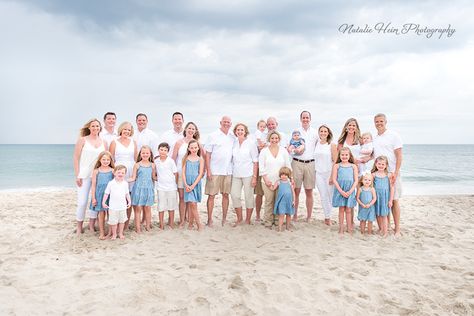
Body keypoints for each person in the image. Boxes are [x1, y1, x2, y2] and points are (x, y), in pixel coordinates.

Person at [73, 118, 107, 236]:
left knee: (95, 201)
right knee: (82, 202)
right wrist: (77, 175)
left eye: (97, 126)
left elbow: (106, 159)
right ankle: (79, 227)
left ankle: (92, 225)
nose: (95, 128)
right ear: (89, 127)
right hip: (83, 175)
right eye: (93, 126)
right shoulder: (82, 140)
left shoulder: (104, 142)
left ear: (100, 128)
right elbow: (76, 158)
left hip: (98, 176)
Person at [372, 113, 403, 237]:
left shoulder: (394, 136)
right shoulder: (374, 138)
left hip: (391, 173)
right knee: (384, 201)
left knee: (394, 200)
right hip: (379, 173)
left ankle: (397, 229)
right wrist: (361, 160)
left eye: (381, 121)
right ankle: (386, 227)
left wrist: (395, 172)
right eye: (377, 121)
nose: (379, 123)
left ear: (386, 122)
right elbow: (373, 155)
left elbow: (399, 155)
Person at [172, 122, 204, 227]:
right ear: (185, 129)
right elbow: (173, 158)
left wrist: (203, 172)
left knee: (191, 199)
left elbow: (202, 158)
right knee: (182, 197)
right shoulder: (179, 143)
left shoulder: (197, 143)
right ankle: (182, 220)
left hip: (194, 175)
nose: (191, 130)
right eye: (189, 128)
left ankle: (191, 220)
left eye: (193, 129)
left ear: (195, 131)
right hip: (181, 173)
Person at [204, 116, 234, 227]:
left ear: (231, 124)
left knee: (226, 195)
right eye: (224, 122)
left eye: (228, 122)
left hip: (228, 171)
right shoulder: (212, 135)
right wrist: (208, 170)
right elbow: (207, 154)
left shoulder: (232, 136)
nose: (226, 124)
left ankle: (224, 219)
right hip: (215, 170)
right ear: (220, 123)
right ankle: (209, 220)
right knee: (211, 196)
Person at [258, 131, 292, 228]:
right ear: (269, 139)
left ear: (279, 139)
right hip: (267, 180)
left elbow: (288, 165)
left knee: (279, 200)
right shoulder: (264, 151)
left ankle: (277, 220)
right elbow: (261, 166)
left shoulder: (283, 151)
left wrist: (290, 178)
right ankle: (268, 220)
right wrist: (265, 179)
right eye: (272, 138)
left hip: (282, 181)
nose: (274, 140)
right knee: (269, 200)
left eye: (276, 138)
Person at [109, 121, 137, 230]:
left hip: (130, 170)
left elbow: (135, 158)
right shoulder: (114, 142)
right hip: (119, 171)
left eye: (129, 130)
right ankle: (115, 222)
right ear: (121, 129)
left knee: (128, 196)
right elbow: (111, 159)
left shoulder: (133, 142)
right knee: (118, 195)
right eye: (125, 129)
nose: (127, 131)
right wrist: (113, 172)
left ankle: (125, 223)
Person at [291, 111, 317, 222]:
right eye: (303, 117)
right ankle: (295, 215)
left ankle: (309, 216)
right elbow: (291, 147)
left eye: (307, 117)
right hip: (297, 163)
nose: (305, 119)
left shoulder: (315, 132)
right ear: (300, 119)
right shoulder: (296, 132)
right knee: (296, 190)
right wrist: (295, 151)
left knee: (309, 191)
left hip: (310, 163)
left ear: (310, 119)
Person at [230, 123, 258, 225]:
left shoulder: (251, 143)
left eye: (242, 130)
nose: (240, 132)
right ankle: (239, 218)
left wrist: (254, 177)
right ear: (235, 132)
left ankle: (248, 220)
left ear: (245, 131)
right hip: (236, 174)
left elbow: (255, 161)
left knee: (248, 196)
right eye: (238, 130)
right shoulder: (234, 143)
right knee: (234, 195)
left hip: (248, 174)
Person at [337, 118, 361, 225]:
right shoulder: (341, 141)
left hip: (360, 170)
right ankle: (350, 222)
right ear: (346, 127)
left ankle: (360, 220)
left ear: (356, 127)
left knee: (359, 195)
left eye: (353, 125)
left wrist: (362, 160)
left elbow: (369, 153)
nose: (351, 127)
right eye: (349, 125)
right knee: (348, 198)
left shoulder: (360, 140)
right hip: (346, 172)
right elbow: (338, 157)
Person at [129, 145, 156, 233]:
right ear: (140, 154)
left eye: (147, 153)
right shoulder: (137, 165)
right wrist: (122, 180)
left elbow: (154, 177)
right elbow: (133, 178)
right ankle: (138, 228)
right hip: (138, 189)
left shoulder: (152, 165)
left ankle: (147, 226)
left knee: (148, 209)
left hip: (148, 189)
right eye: (143, 153)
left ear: (150, 154)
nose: (145, 154)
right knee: (138, 209)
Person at [314, 125, 338, 225]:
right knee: (323, 195)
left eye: (325, 131)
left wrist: (333, 176)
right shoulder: (316, 144)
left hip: (329, 173)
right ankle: (327, 217)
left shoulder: (331, 145)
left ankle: (331, 215)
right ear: (319, 133)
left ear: (328, 133)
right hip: (318, 173)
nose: (323, 133)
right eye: (321, 131)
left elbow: (336, 161)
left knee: (330, 196)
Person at [332, 147, 358, 235]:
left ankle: (349, 227)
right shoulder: (336, 166)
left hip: (350, 190)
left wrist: (351, 191)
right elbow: (334, 180)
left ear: (349, 155)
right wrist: (341, 191)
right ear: (339, 155)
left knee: (348, 210)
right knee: (341, 209)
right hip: (340, 190)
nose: (344, 156)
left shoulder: (353, 166)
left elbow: (356, 180)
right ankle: (341, 228)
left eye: (346, 155)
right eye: (342, 155)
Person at [89, 151, 114, 239]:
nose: (106, 161)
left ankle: (111, 232)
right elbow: (93, 185)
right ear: (100, 160)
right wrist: (93, 198)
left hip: (110, 196)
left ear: (111, 160)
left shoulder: (113, 171)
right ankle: (102, 233)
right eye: (104, 159)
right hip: (99, 195)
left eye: (108, 159)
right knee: (101, 215)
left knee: (110, 215)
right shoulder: (96, 171)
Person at [102, 165, 131, 240]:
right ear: (114, 173)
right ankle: (114, 234)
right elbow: (106, 193)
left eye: (123, 173)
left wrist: (129, 201)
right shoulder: (111, 183)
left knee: (122, 221)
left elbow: (127, 194)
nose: (120, 174)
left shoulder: (125, 183)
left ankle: (120, 233)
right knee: (113, 222)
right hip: (113, 207)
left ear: (125, 174)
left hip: (122, 206)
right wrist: (103, 202)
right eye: (118, 172)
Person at [182, 140, 205, 231]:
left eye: (195, 147)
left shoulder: (200, 159)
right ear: (188, 148)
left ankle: (191, 223)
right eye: (192, 148)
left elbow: (200, 174)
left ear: (198, 148)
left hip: (196, 183)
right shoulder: (185, 158)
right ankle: (199, 224)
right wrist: (186, 184)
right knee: (192, 203)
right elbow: (183, 173)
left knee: (193, 204)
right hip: (187, 183)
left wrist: (193, 185)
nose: (194, 149)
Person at [155, 142, 178, 230]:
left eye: (165, 150)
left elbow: (175, 173)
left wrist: (174, 184)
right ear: (158, 150)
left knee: (171, 206)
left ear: (168, 151)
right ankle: (161, 224)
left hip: (171, 187)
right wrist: (156, 178)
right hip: (161, 187)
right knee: (161, 206)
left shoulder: (171, 161)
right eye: (161, 149)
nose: (163, 152)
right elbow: (154, 173)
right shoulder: (156, 161)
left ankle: (171, 224)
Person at [372, 155, 394, 238]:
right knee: (378, 214)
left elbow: (392, 188)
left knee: (384, 215)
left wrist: (391, 200)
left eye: (383, 164)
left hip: (385, 198)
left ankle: (385, 231)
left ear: (386, 165)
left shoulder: (388, 175)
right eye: (379, 164)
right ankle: (380, 228)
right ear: (376, 164)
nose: (381, 166)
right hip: (376, 197)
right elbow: (370, 187)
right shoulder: (373, 175)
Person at [272, 167, 295, 232]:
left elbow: (293, 192)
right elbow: (273, 188)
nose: (283, 176)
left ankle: (288, 228)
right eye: (282, 175)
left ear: (288, 175)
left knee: (288, 214)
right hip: (281, 201)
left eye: (285, 175)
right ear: (280, 175)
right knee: (281, 214)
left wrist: (294, 201)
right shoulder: (279, 182)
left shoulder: (290, 182)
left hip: (289, 201)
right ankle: (279, 228)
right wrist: (269, 185)